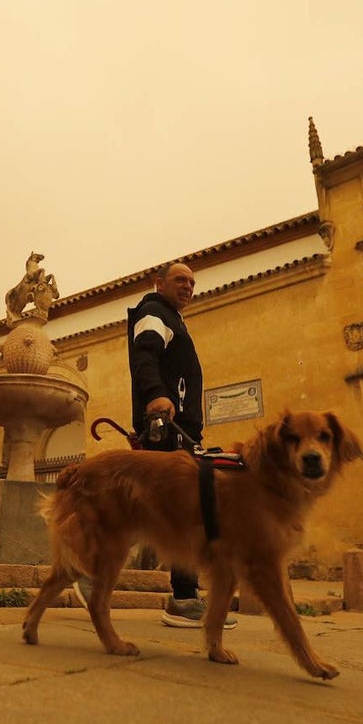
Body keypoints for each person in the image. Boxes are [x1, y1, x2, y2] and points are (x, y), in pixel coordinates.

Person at [75, 262, 236, 629]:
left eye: (193, 282)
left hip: (180, 433)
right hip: (165, 429)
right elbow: (144, 355)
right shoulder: (154, 312)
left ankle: (182, 596)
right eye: (181, 280)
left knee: (170, 512)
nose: (188, 286)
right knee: (173, 512)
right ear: (159, 283)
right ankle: (174, 595)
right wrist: (157, 395)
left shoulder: (172, 318)